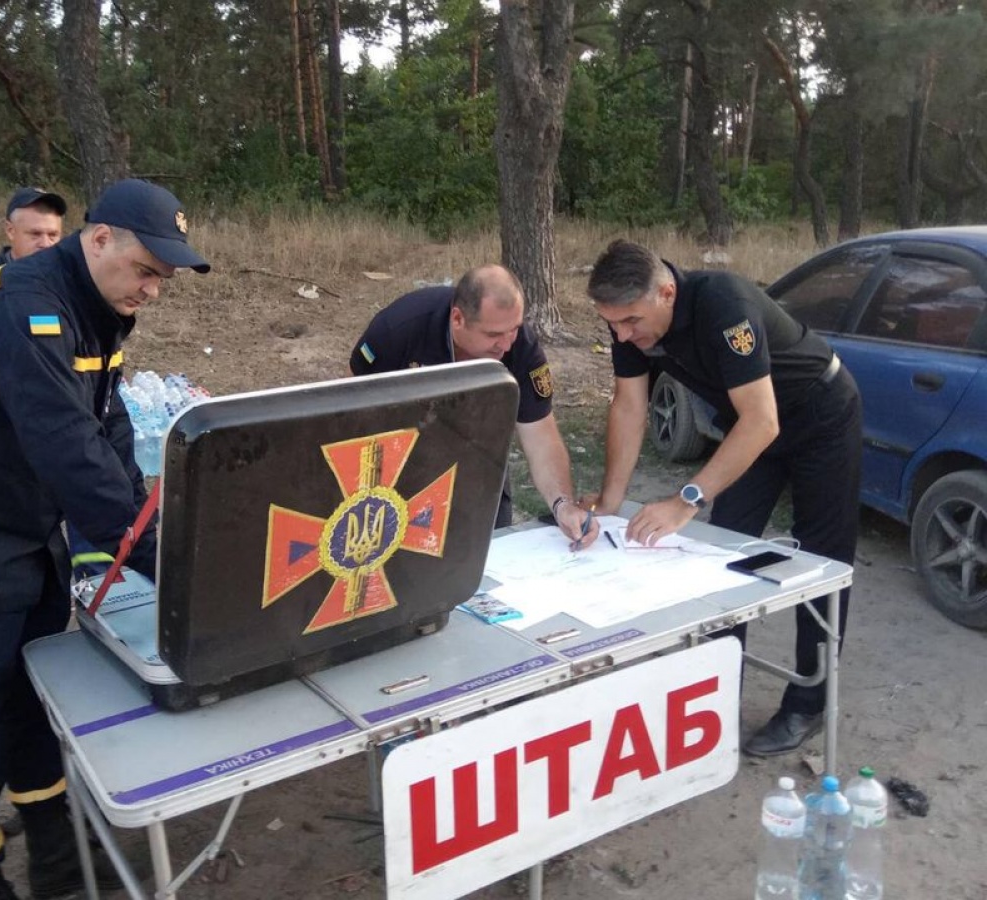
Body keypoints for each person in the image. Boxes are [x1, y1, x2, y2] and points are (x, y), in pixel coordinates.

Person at [0, 179, 210, 900]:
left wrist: (147, 521)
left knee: (36, 698)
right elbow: (65, 446)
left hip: (26, 534)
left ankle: (56, 852)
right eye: (146, 270)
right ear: (97, 240)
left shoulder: (98, 305)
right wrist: (164, 557)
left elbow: (107, 423)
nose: (153, 289)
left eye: (165, 278)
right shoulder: (20, 303)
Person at [583, 239, 861, 757]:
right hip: (750, 424)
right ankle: (710, 694)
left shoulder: (724, 307)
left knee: (821, 561)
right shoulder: (628, 312)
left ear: (666, 292)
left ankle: (808, 702)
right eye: (614, 324)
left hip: (819, 414)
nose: (622, 334)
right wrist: (608, 500)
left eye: (630, 323)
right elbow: (628, 405)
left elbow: (764, 420)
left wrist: (686, 498)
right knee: (724, 560)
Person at [349, 264, 598, 548]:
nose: (505, 345)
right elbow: (351, 412)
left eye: (513, 329)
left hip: (480, 462)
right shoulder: (399, 328)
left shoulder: (521, 346)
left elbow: (540, 433)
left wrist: (562, 504)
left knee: (488, 559)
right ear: (458, 319)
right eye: (493, 335)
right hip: (401, 467)